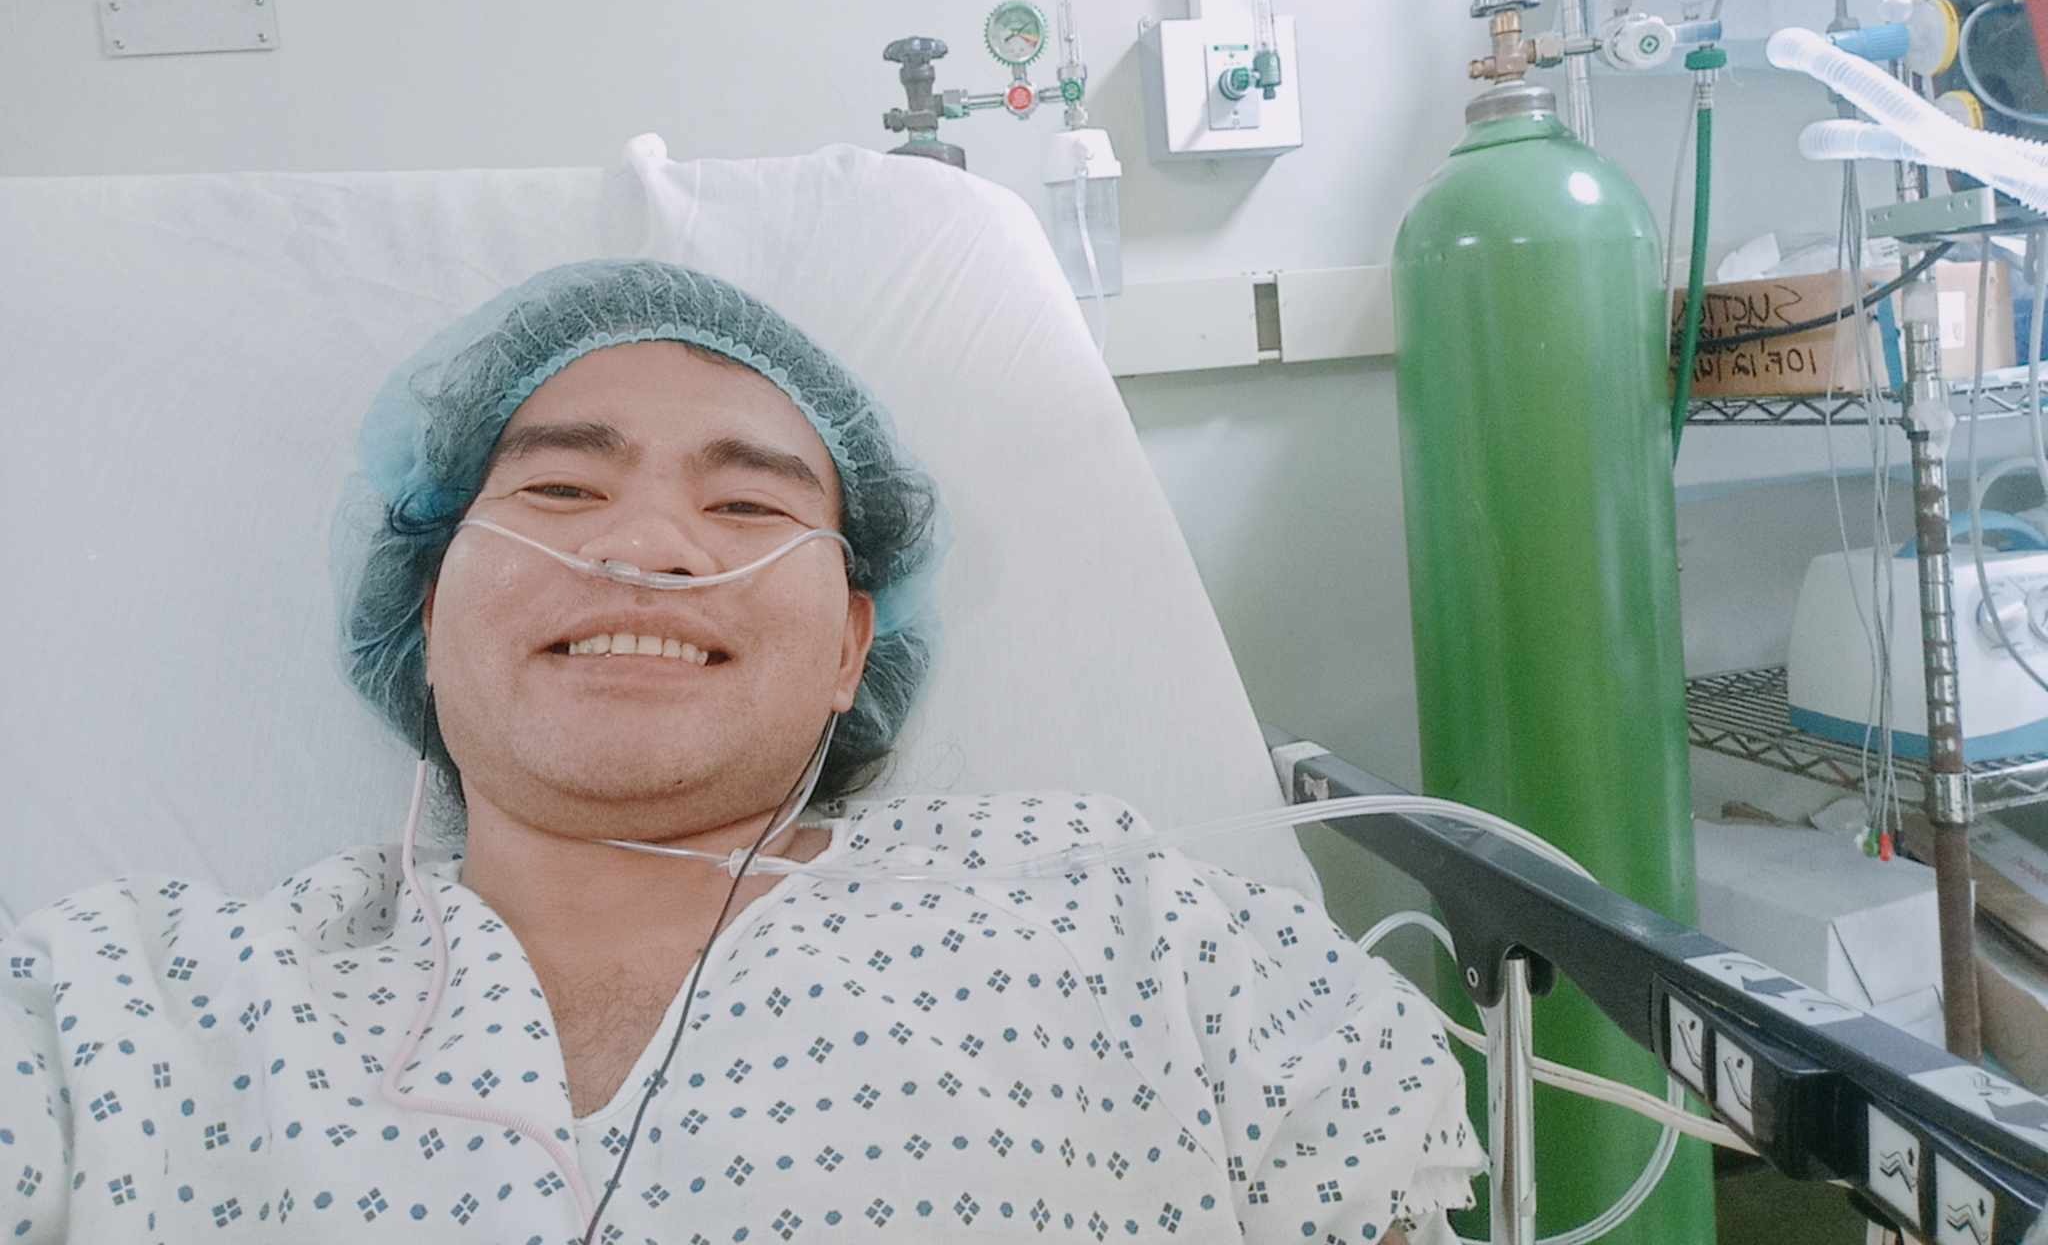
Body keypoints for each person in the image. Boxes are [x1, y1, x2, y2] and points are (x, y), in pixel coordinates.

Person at [0, 258, 1482, 1243]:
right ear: (429, 606)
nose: (648, 546)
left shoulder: (1126, 927)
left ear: (850, 647)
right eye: (561, 492)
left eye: (749, 508)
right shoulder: (124, 1011)